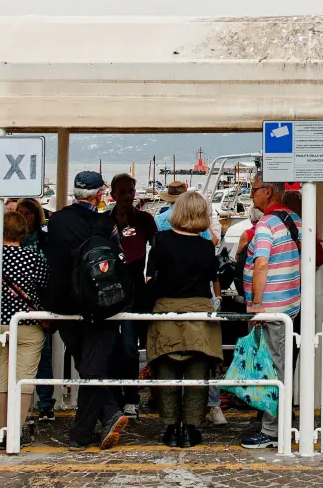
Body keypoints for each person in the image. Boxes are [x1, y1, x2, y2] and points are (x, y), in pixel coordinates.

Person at [46, 171, 132, 451]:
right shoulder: (104, 224)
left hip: (64, 305)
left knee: (87, 366)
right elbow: (120, 259)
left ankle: (107, 416)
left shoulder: (57, 221)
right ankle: (82, 433)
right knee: (93, 368)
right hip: (98, 304)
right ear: (98, 195)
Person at [144, 191, 222, 449]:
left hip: (165, 310)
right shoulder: (206, 246)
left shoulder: (161, 240)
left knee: (166, 371)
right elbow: (213, 278)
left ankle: (169, 428)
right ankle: (189, 428)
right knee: (197, 373)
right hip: (199, 312)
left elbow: (149, 276)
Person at [0, 208, 49, 448]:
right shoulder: (33, 258)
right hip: (26, 323)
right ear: (23, 232)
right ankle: (15, 431)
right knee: (23, 379)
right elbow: (44, 288)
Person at [241, 179, 302, 450]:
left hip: (271, 310)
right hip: (291, 306)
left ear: (268, 192)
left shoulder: (266, 225)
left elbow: (261, 263)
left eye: (253, 190)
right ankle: (280, 421)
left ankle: (271, 431)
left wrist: (255, 303)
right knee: (282, 366)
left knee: (272, 369)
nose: (251, 195)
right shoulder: (295, 219)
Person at [108, 174, 157, 416]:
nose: (127, 196)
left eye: (130, 191)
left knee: (129, 346)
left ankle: (131, 396)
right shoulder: (104, 221)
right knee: (109, 346)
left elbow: (156, 251)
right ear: (113, 194)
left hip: (135, 290)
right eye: (122, 191)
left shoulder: (145, 220)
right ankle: (112, 396)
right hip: (107, 292)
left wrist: (152, 277)